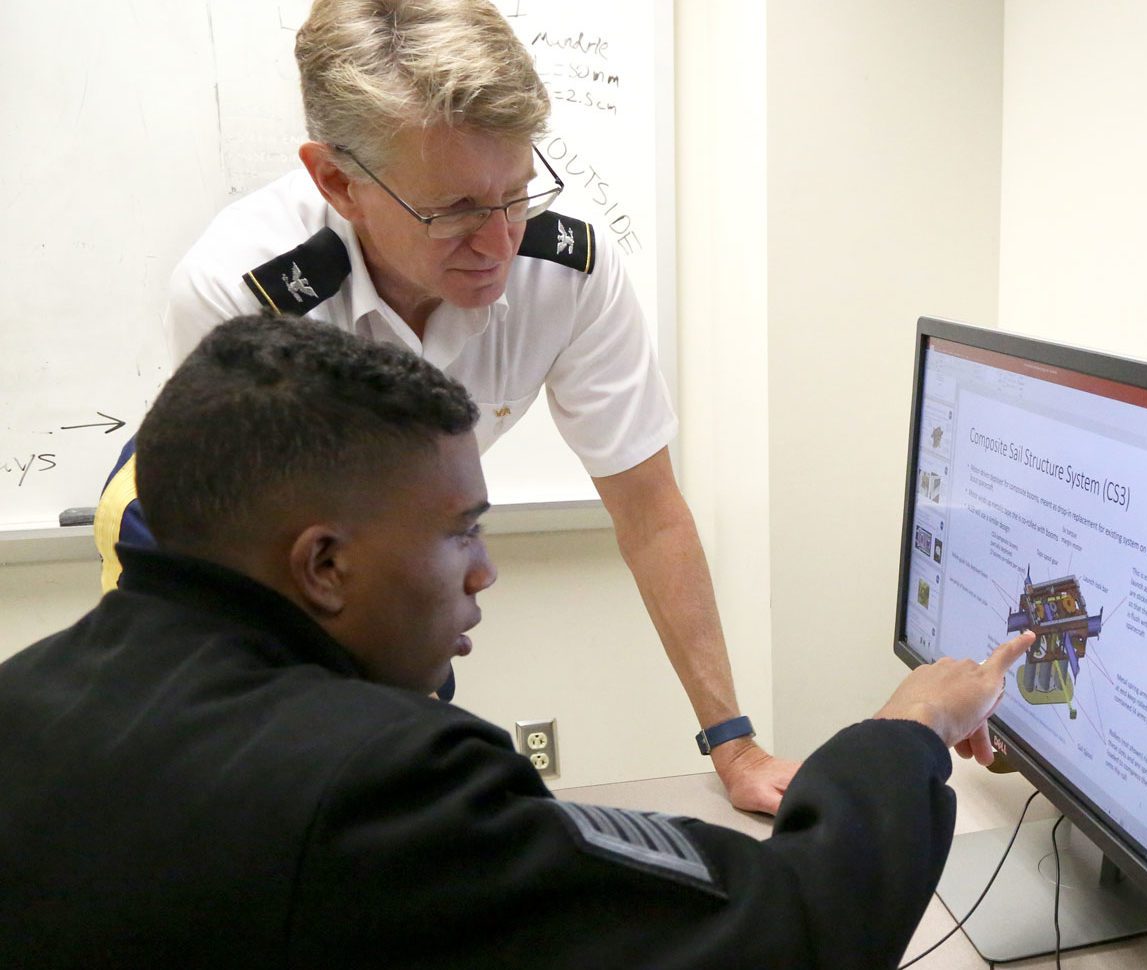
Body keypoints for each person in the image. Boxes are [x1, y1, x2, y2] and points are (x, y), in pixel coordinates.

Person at [1, 316, 1034, 968]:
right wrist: (907, 730)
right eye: (460, 533)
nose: (486, 572)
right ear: (322, 565)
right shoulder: (376, 778)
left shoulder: (29, 699)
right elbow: (783, 931)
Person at [92, 0, 795, 812]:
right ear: (337, 181)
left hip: (389, 532)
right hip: (208, 532)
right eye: (455, 209)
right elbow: (298, 582)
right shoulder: (245, 290)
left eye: (516, 194)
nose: (498, 243)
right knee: (239, 795)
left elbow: (651, 514)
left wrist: (734, 745)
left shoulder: (568, 275)